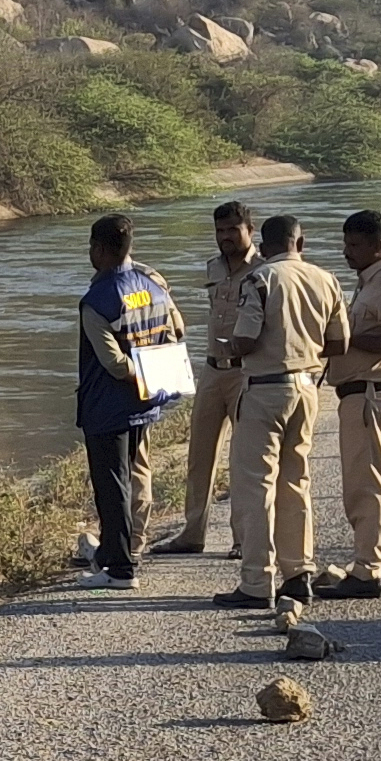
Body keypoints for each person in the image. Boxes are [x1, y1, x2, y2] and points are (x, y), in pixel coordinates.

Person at [215, 208, 346, 609]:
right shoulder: (326, 279)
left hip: (264, 390)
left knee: (256, 487)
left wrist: (231, 349)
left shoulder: (260, 278)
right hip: (307, 388)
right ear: (300, 244)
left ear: (263, 246)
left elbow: (246, 339)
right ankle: (298, 574)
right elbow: (339, 343)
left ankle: (256, 582)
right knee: (296, 482)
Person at [74, 212, 186, 587]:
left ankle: (121, 569)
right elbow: (177, 331)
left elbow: (115, 364)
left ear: (100, 249)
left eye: (92, 247)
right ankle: (113, 552)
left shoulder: (96, 301)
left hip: (108, 406)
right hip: (146, 403)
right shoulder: (154, 285)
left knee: (112, 485)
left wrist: (136, 368)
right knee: (131, 477)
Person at [152, 199, 255, 553]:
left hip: (246, 373)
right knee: (199, 456)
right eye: (220, 231)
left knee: (243, 458)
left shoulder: (263, 270)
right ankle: (192, 533)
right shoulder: (212, 268)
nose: (226, 237)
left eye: (233, 230)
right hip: (212, 371)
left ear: (249, 231)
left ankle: (243, 538)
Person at [328, 207, 381, 596]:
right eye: (345, 244)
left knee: (367, 487)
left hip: (370, 394)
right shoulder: (368, 281)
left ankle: (367, 570)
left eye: (355, 245)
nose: (348, 252)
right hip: (366, 393)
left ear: (379, 246)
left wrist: (344, 340)